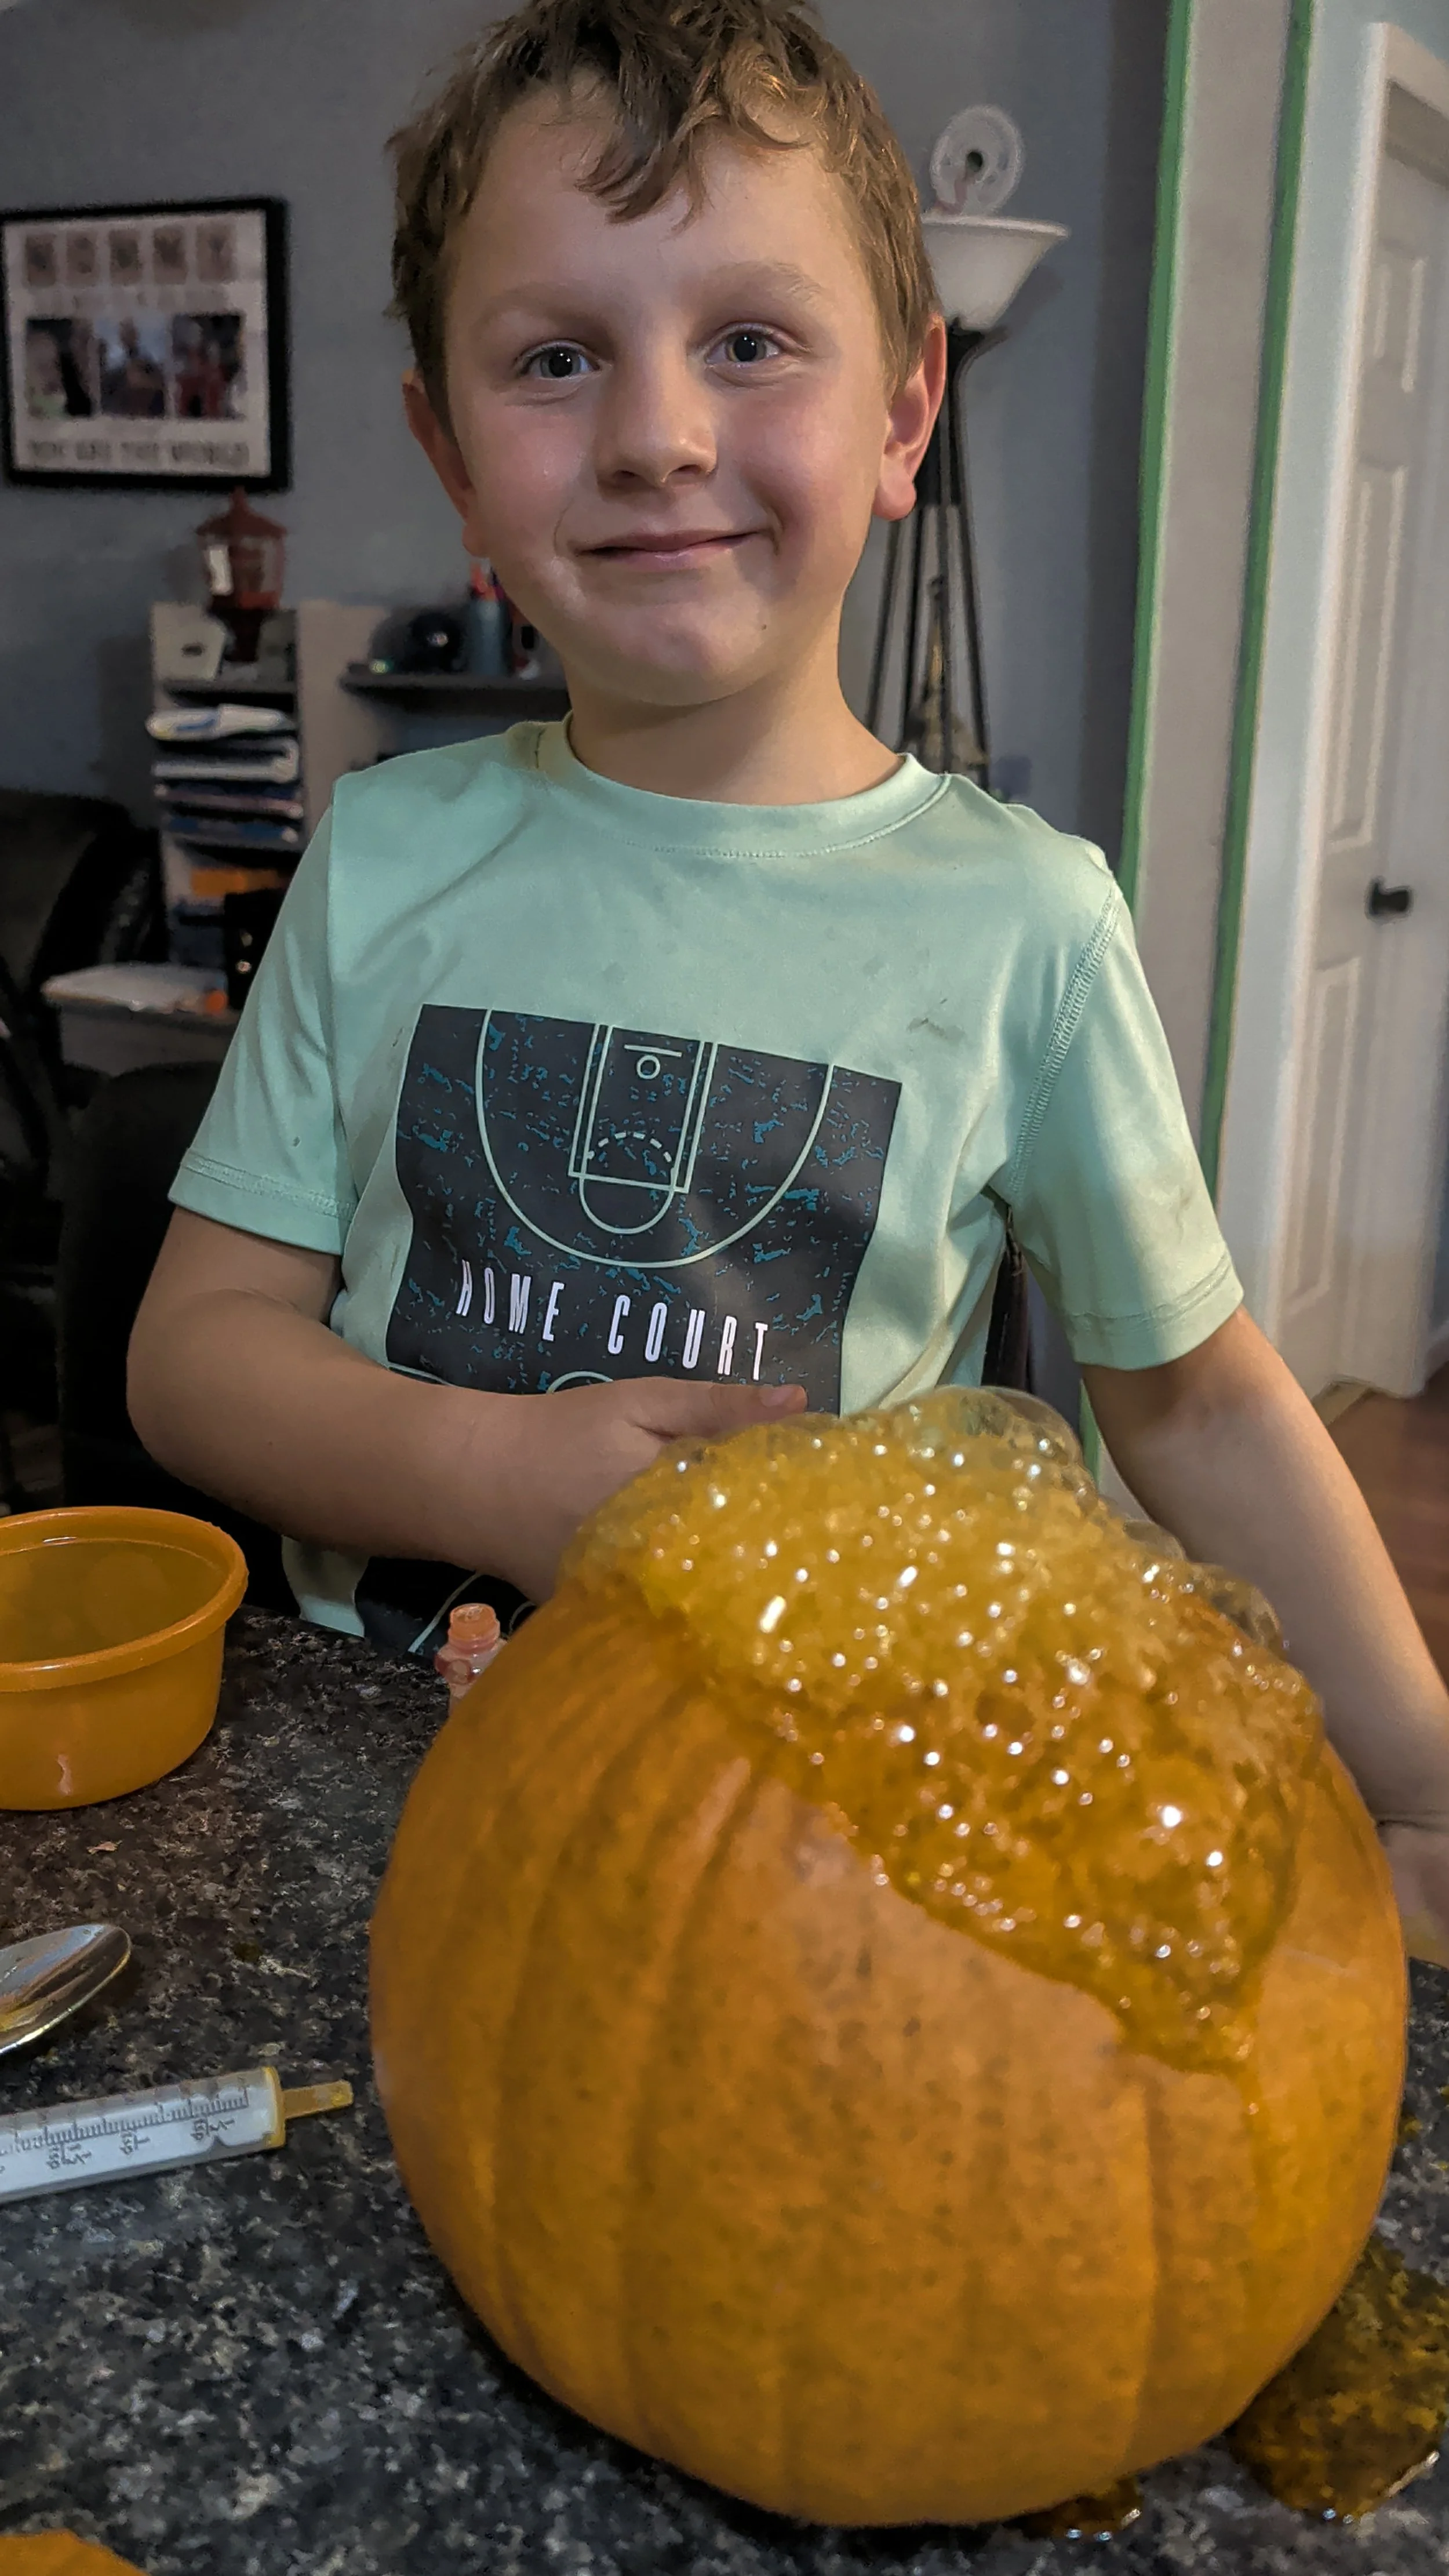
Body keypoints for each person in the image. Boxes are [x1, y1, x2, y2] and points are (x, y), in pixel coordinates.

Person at [129, 0, 1449, 1958]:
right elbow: (195, 1353)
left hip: (809, 1847)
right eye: (556, 357)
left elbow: (1198, 1409)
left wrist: (1419, 1777)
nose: (658, 432)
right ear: (449, 454)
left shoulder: (1028, 926)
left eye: (749, 341)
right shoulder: (385, 851)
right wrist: (490, 1473)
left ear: (905, 412)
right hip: (376, 1798)